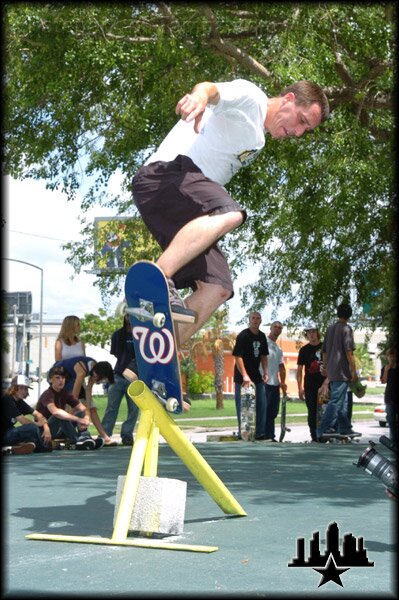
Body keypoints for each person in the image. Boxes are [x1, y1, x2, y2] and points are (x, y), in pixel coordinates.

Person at [132, 79, 329, 345]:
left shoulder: (258, 139)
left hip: (186, 205)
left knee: (218, 287)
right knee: (231, 213)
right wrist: (199, 97)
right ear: (289, 99)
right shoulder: (253, 99)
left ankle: (155, 354)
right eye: (302, 121)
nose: (299, 132)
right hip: (165, 176)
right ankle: (156, 279)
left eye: (307, 130)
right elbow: (212, 90)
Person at [317, 303, 361, 441]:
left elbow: (324, 351)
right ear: (349, 315)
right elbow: (349, 352)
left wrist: (325, 367)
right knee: (336, 400)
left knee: (341, 401)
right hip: (342, 371)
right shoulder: (347, 329)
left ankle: (345, 428)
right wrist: (353, 371)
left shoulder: (330, 329)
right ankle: (324, 428)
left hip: (332, 369)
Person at [53, 356, 116, 445]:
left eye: (100, 378)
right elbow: (74, 397)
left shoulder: (94, 369)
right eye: (98, 377)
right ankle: (68, 433)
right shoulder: (82, 371)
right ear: (96, 372)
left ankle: (105, 437)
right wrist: (74, 412)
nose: (97, 379)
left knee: (92, 409)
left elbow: (88, 390)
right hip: (59, 374)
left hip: (72, 378)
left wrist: (89, 410)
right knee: (75, 406)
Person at [36, 365, 102, 450]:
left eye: (63, 378)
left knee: (80, 413)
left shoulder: (65, 393)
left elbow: (84, 409)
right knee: (59, 416)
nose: (61, 380)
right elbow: (56, 412)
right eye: (57, 378)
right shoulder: (48, 394)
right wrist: (78, 419)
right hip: (45, 431)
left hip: (60, 429)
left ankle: (85, 437)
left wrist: (86, 418)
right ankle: (78, 441)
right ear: (50, 379)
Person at [101, 314, 140, 446]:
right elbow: (116, 353)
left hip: (135, 377)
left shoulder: (140, 334)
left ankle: (127, 434)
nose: (129, 317)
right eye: (127, 314)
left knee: (134, 409)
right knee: (111, 407)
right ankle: (105, 434)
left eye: (132, 314)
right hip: (118, 375)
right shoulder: (118, 335)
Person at [232, 311, 268, 440]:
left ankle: (259, 433)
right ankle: (244, 433)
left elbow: (264, 356)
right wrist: (245, 375)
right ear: (249, 319)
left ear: (260, 321)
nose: (255, 320)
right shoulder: (243, 335)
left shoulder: (262, 336)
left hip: (256, 376)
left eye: (258, 318)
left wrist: (266, 372)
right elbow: (237, 356)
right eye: (253, 318)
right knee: (243, 406)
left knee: (261, 404)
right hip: (242, 378)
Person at [1, 375, 52, 453]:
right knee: (32, 428)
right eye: (21, 388)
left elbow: (38, 414)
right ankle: (42, 448)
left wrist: (46, 427)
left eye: (25, 388)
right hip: (5, 435)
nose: (24, 391)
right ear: (14, 388)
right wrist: (38, 424)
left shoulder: (19, 401)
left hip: (10, 433)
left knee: (33, 431)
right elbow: (22, 420)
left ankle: (14, 448)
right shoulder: (7, 399)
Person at [296, 325, 326, 442]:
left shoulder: (325, 347)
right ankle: (314, 436)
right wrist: (299, 388)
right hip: (309, 386)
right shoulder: (304, 350)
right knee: (312, 412)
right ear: (306, 334)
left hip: (324, 385)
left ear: (317, 333)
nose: (311, 334)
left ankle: (324, 435)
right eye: (309, 332)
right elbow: (299, 371)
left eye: (314, 331)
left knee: (324, 411)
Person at [264, 321, 287, 442]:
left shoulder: (278, 349)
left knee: (273, 411)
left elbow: (281, 367)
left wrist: (283, 382)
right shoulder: (264, 343)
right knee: (265, 410)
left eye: (280, 328)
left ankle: (271, 435)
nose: (277, 329)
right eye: (275, 327)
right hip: (265, 382)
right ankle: (263, 434)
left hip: (275, 383)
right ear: (270, 328)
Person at [380, 347, 398, 448]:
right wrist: (386, 370)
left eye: (393, 356)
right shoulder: (385, 368)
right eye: (389, 356)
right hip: (389, 397)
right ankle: (393, 442)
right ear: (387, 357)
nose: (391, 358)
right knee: (391, 420)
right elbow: (383, 381)